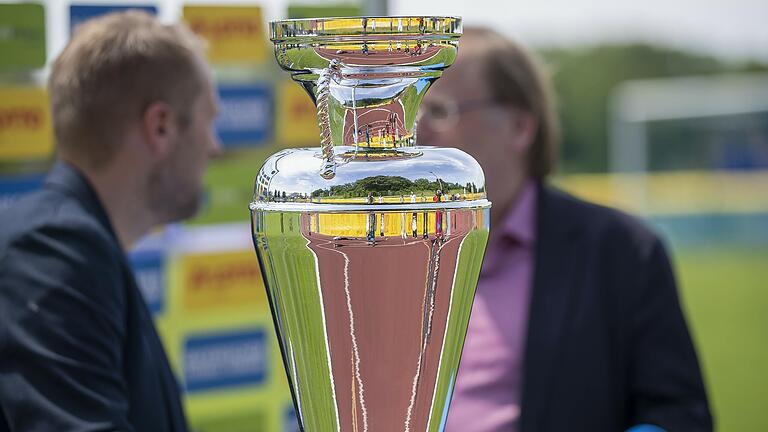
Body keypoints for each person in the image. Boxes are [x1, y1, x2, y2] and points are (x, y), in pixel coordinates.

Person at [418, 27, 712, 432]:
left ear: (520, 126)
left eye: (438, 111)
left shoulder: (623, 250)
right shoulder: (386, 250)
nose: (415, 132)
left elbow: (679, 415)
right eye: (412, 112)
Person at [0, 11, 220, 431]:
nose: (214, 147)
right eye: (209, 122)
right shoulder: (54, 252)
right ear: (161, 127)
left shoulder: (79, 245)